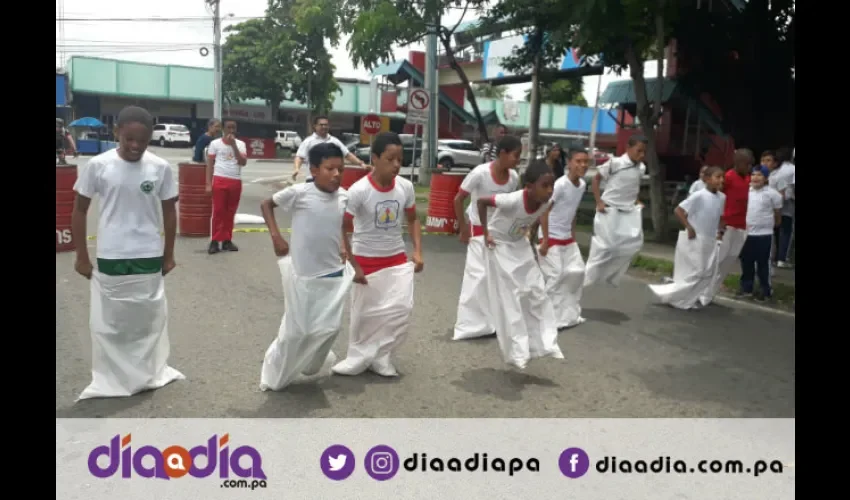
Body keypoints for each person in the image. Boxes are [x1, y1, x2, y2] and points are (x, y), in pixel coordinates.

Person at [70, 105, 184, 400]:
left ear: (150, 139)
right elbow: (80, 210)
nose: (135, 146)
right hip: (112, 254)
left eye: (142, 141)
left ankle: (145, 374)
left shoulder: (159, 167)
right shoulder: (98, 165)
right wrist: (81, 255)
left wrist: (168, 253)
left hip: (148, 254)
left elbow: (170, 212)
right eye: (129, 139)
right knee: (114, 322)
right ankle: (114, 378)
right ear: (116, 132)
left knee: (147, 319)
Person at [258, 143, 353, 390]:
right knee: (296, 332)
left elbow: (341, 224)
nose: (336, 174)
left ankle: (314, 362)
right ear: (313, 169)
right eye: (329, 168)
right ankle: (274, 373)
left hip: (333, 273)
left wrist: (344, 245)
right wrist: (276, 237)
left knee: (329, 328)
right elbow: (266, 205)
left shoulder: (344, 196)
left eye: (340, 169)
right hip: (303, 274)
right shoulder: (299, 193)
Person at [332, 132, 424, 377]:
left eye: (400, 160)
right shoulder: (359, 190)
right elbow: (341, 227)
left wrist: (416, 251)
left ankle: (382, 356)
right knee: (365, 314)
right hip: (366, 260)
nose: (396, 165)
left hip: (395, 259)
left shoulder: (406, 187)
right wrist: (353, 264)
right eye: (390, 159)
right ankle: (357, 356)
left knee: (397, 310)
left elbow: (413, 220)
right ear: (374, 158)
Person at [477, 160, 563, 370]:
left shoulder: (545, 202)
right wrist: (486, 233)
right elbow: (481, 202)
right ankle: (517, 352)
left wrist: (534, 241)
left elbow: (534, 219)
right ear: (529, 186)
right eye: (545, 185)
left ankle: (546, 343)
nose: (550, 190)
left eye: (552, 185)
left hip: (520, 245)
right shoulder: (511, 200)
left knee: (537, 292)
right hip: (500, 247)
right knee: (511, 301)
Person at [452, 135, 522, 341]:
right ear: (502, 154)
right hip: (477, 229)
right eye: (515, 156)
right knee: (477, 277)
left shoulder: (514, 178)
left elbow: (511, 204)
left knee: (499, 277)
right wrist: (463, 228)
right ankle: (470, 324)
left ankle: (494, 322)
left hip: (499, 232)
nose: (517, 160)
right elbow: (459, 199)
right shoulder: (480, 173)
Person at [649, 166, 726, 309]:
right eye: (717, 177)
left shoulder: (722, 197)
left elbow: (720, 216)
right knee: (697, 271)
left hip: (711, 239)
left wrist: (720, 231)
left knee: (708, 273)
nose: (721, 180)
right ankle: (670, 294)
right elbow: (678, 210)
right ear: (707, 179)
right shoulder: (699, 195)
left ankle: (687, 299)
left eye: (722, 177)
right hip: (697, 238)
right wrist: (689, 226)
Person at [583, 135, 647, 288]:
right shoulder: (615, 163)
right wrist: (599, 202)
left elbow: (632, 186)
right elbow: (596, 179)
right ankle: (586, 278)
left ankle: (612, 276)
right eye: (639, 151)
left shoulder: (641, 167)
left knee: (633, 245)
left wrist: (637, 201)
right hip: (609, 210)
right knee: (605, 247)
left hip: (629, 210)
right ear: (628, 148)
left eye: (644, 152)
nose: (642, 155)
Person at [536, 147, 590, 329]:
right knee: (555, 276)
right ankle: (542, 316)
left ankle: (568, 314)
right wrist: (544, 240)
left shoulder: (582, 185)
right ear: (569, 164)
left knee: (577, 272)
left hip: (567, 238)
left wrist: (573, 237)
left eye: (586, 162)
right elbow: (544, 211)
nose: (582, 165)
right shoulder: (559, 185)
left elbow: (572, 211)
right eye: (578, 161)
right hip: (550, 237)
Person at [700, 149, 753, 305]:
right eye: (747, 163)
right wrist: (718, 221)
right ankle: (703, 293)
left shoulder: (748, 178)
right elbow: (716, 196)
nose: (749, 167)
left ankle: (711, 294)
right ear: (738, 163)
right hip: (726, 225)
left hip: (741, 225)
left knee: (728, 261)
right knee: (717, 260)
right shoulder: (728, 177)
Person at [738, 165, 782, 301]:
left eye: (759, 175)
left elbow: (777, 215)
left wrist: (772, 226)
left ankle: (765, 290)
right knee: (746, 263)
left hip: (764, 235)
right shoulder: (746, 192)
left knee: (763, 264)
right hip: (747, 234)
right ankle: (747, 288)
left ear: (766, 178)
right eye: (753, 175)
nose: (755, 178)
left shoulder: (773, 194)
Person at [205, 119, 247, 254]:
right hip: (219, 179)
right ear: (223, 129)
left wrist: (234, 145)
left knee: (230, 212)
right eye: (228, 128)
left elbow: (242, 162)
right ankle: (215, 241)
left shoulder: (241, 144)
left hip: (235, 180)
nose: (231, 131)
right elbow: (210, 164)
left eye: (233, 128)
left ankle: (227, 240)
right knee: (218, 211)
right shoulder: (214, 144)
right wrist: (208, 184)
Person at [292, 116, 368, 182]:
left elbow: (347, 155)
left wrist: (361, 164)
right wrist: (296, 169)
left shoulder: (334, 141)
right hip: (313, 179)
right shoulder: (308, 141)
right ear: (315, 126)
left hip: (330, 180)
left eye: (326, 125)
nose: (324, 127)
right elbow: (299, 157)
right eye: (321, 125)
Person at [769, 147, 795, 268]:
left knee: (776, 231)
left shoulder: (776, 171)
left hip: (774, 204)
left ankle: (773, 257)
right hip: (787, 203)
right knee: (786, 231)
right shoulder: (792, 169)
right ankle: (782, 258)